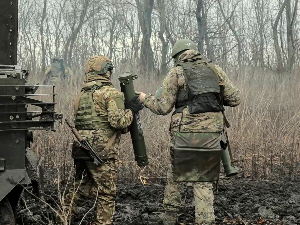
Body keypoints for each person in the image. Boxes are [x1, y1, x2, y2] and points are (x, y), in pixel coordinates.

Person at [138, 39, 241, 225]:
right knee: (203, 178)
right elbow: (235, 99)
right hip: (212, 133)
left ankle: (169, 218)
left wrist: (145, 98)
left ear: (177, 57)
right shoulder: (215, 70)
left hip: (184, 132)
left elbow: (162, 107)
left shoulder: (177, 72)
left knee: (176, 172)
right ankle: (205, 220)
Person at [65, 55, 143, 225]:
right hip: (102, 152)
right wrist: (132, 110)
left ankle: (61, 218)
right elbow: (119, 122)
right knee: (106, 193)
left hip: (81, 148)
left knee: (81, 188)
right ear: (106, 71)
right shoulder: (110, 93)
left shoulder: (81, 95)